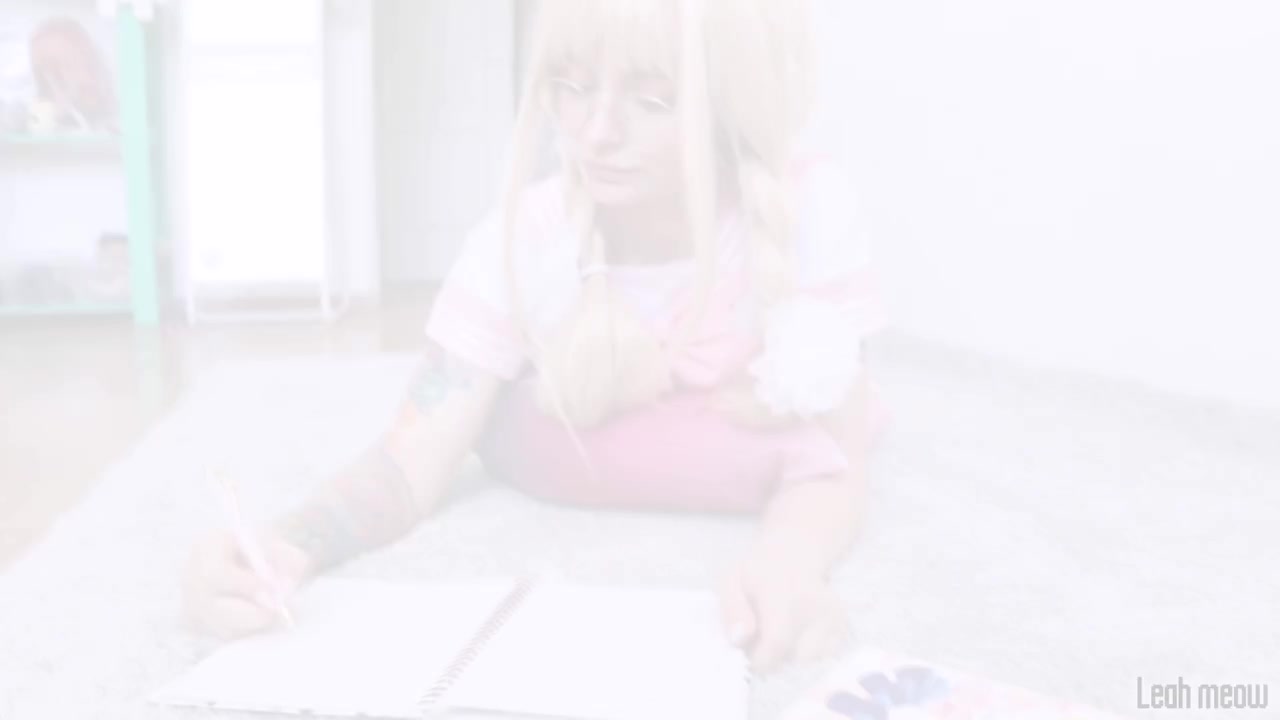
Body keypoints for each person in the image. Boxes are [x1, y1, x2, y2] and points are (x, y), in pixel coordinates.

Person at [183, 0, 888, 674]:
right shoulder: (525, 243)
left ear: (732, 100)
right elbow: (406, 464)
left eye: (652, 99)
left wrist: (789, 563)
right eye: (572, 86)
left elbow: (837, 459)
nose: (596, 133)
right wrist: (287, 544)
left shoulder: (807, 213)